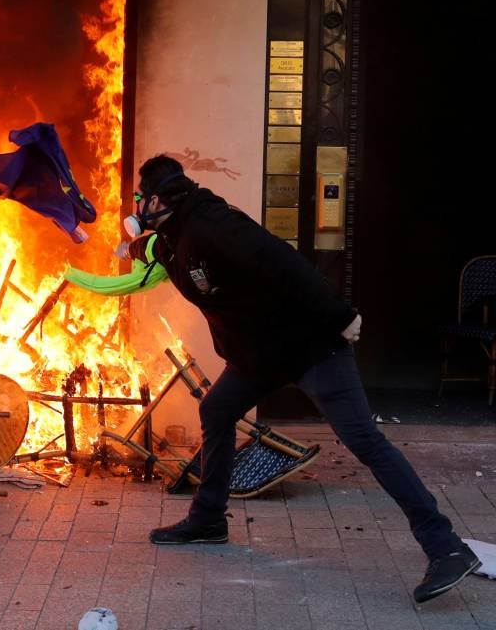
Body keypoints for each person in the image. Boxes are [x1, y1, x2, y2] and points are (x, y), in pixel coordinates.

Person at [126, 154, 479, 604]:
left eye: (141, 197)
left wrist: (341, 316)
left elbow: (283, 262)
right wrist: (144, 246)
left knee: (365, 441)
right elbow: (182, 268)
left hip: (311, 348)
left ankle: (445, 546)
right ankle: (208, 519)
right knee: (216, 408)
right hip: (260, 356)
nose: (137, 207)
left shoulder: (214, 225)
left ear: (160, 199)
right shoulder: (177, 234)